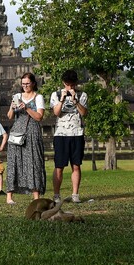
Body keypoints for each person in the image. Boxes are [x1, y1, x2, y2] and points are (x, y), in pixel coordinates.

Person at [5, 73, 46, 204]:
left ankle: (36, 197)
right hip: (17, 132)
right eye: (23, 84)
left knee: (34, 162)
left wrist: (27, 107)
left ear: (33, 83)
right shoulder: (17, 96)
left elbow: (39, 117)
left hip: (33, 132)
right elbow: (10, 117)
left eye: (27, 84)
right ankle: (9, 196)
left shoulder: (38, 97)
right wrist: (12, 107)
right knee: (13, 162)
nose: (25, 86)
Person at [50, 69, 88, 203]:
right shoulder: (55, 94)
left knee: (76, 165)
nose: (70, 87)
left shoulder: (82, 95)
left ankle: (75, 194)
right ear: (63, 83)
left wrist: (75, 101)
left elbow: (84, 113)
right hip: (61, 134)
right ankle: (56, 195)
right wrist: (62, 99)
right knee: (59, 166)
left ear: (76, 83)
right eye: (67, 84)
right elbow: (56, 112)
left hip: (77, 133)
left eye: (72, 85)